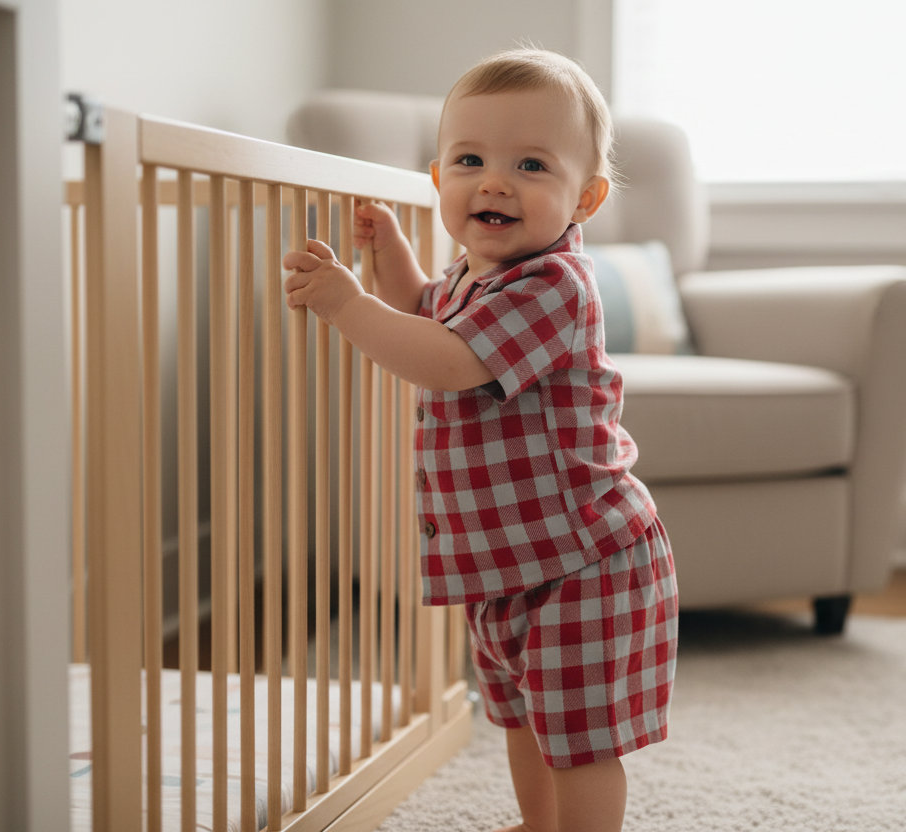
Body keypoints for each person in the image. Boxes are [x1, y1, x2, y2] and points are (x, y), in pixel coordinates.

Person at [283, 47, 677, 832]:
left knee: (579, 739)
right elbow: (428, 310)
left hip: (581, 559)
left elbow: (450, 359)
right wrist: (389, 256)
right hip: (506, 561)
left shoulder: (554, 285)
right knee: (524, 720)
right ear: (439, 179)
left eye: (531, 164)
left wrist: (345, 305)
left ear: (585, 198)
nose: (494, 181)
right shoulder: (473, 276)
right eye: (470, 159)